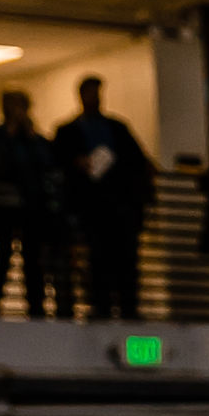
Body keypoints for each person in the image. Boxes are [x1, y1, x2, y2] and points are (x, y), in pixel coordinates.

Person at [53, 77, 149, 322]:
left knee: (125, 260)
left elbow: (137, 161)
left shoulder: (116, 128)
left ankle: (127, 305)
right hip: (92, 208)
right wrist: (78, 163)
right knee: (99, 259)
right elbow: (58, 162)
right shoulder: (69, 132)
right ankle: (103, 304)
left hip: (118, 207)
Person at [0, 89, 71, 322]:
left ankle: (35, 307)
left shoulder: (35, 141)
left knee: (33, 257)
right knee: (4, 253)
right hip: (3, 204)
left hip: (32, 207)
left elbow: (50, 166)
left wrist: (29, 134)